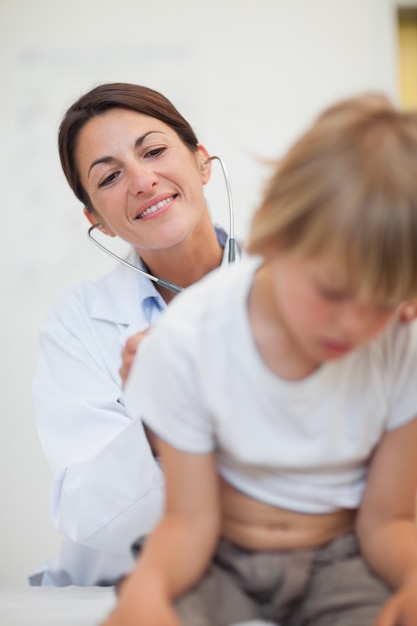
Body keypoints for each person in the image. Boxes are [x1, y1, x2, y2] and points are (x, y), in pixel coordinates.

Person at [104, 94, 417, 626]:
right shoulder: (187, 339)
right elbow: (188, 522)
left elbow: (389, 520)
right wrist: (148, 591)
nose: (354, 325)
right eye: (334, 292)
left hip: (345, 561)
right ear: (273, 231)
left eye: (383, 303)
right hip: (217, 556)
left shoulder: (402, 345)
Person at [31, 82, 239, 586]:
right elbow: (86, 511)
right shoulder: (77, 322)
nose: (143, 180)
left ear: (202, 161)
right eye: (109, 177)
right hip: (116, 593)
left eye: (154, 151)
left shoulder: (302, 295)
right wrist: (157, 421)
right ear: (96, 220)